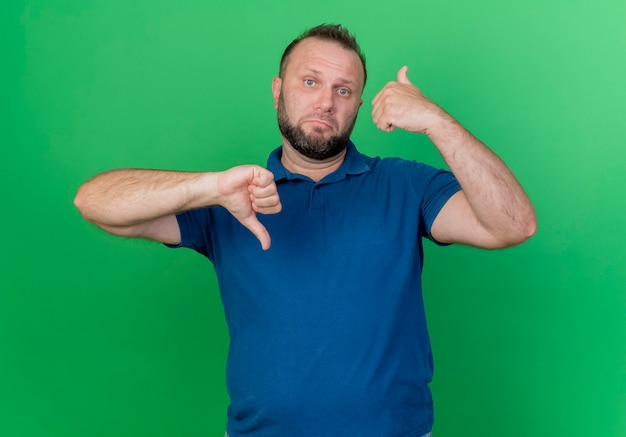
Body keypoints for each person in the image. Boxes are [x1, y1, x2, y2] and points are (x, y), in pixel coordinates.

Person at [74, 23, 536, 437]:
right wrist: (209, 187)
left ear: (359, 103)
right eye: (310, 82)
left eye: (343, 90)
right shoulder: (230, 196)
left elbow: (514, 225)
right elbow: (93, 202)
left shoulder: (405, 184)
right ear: (278, 90)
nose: (324, 102)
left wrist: (437, 121)